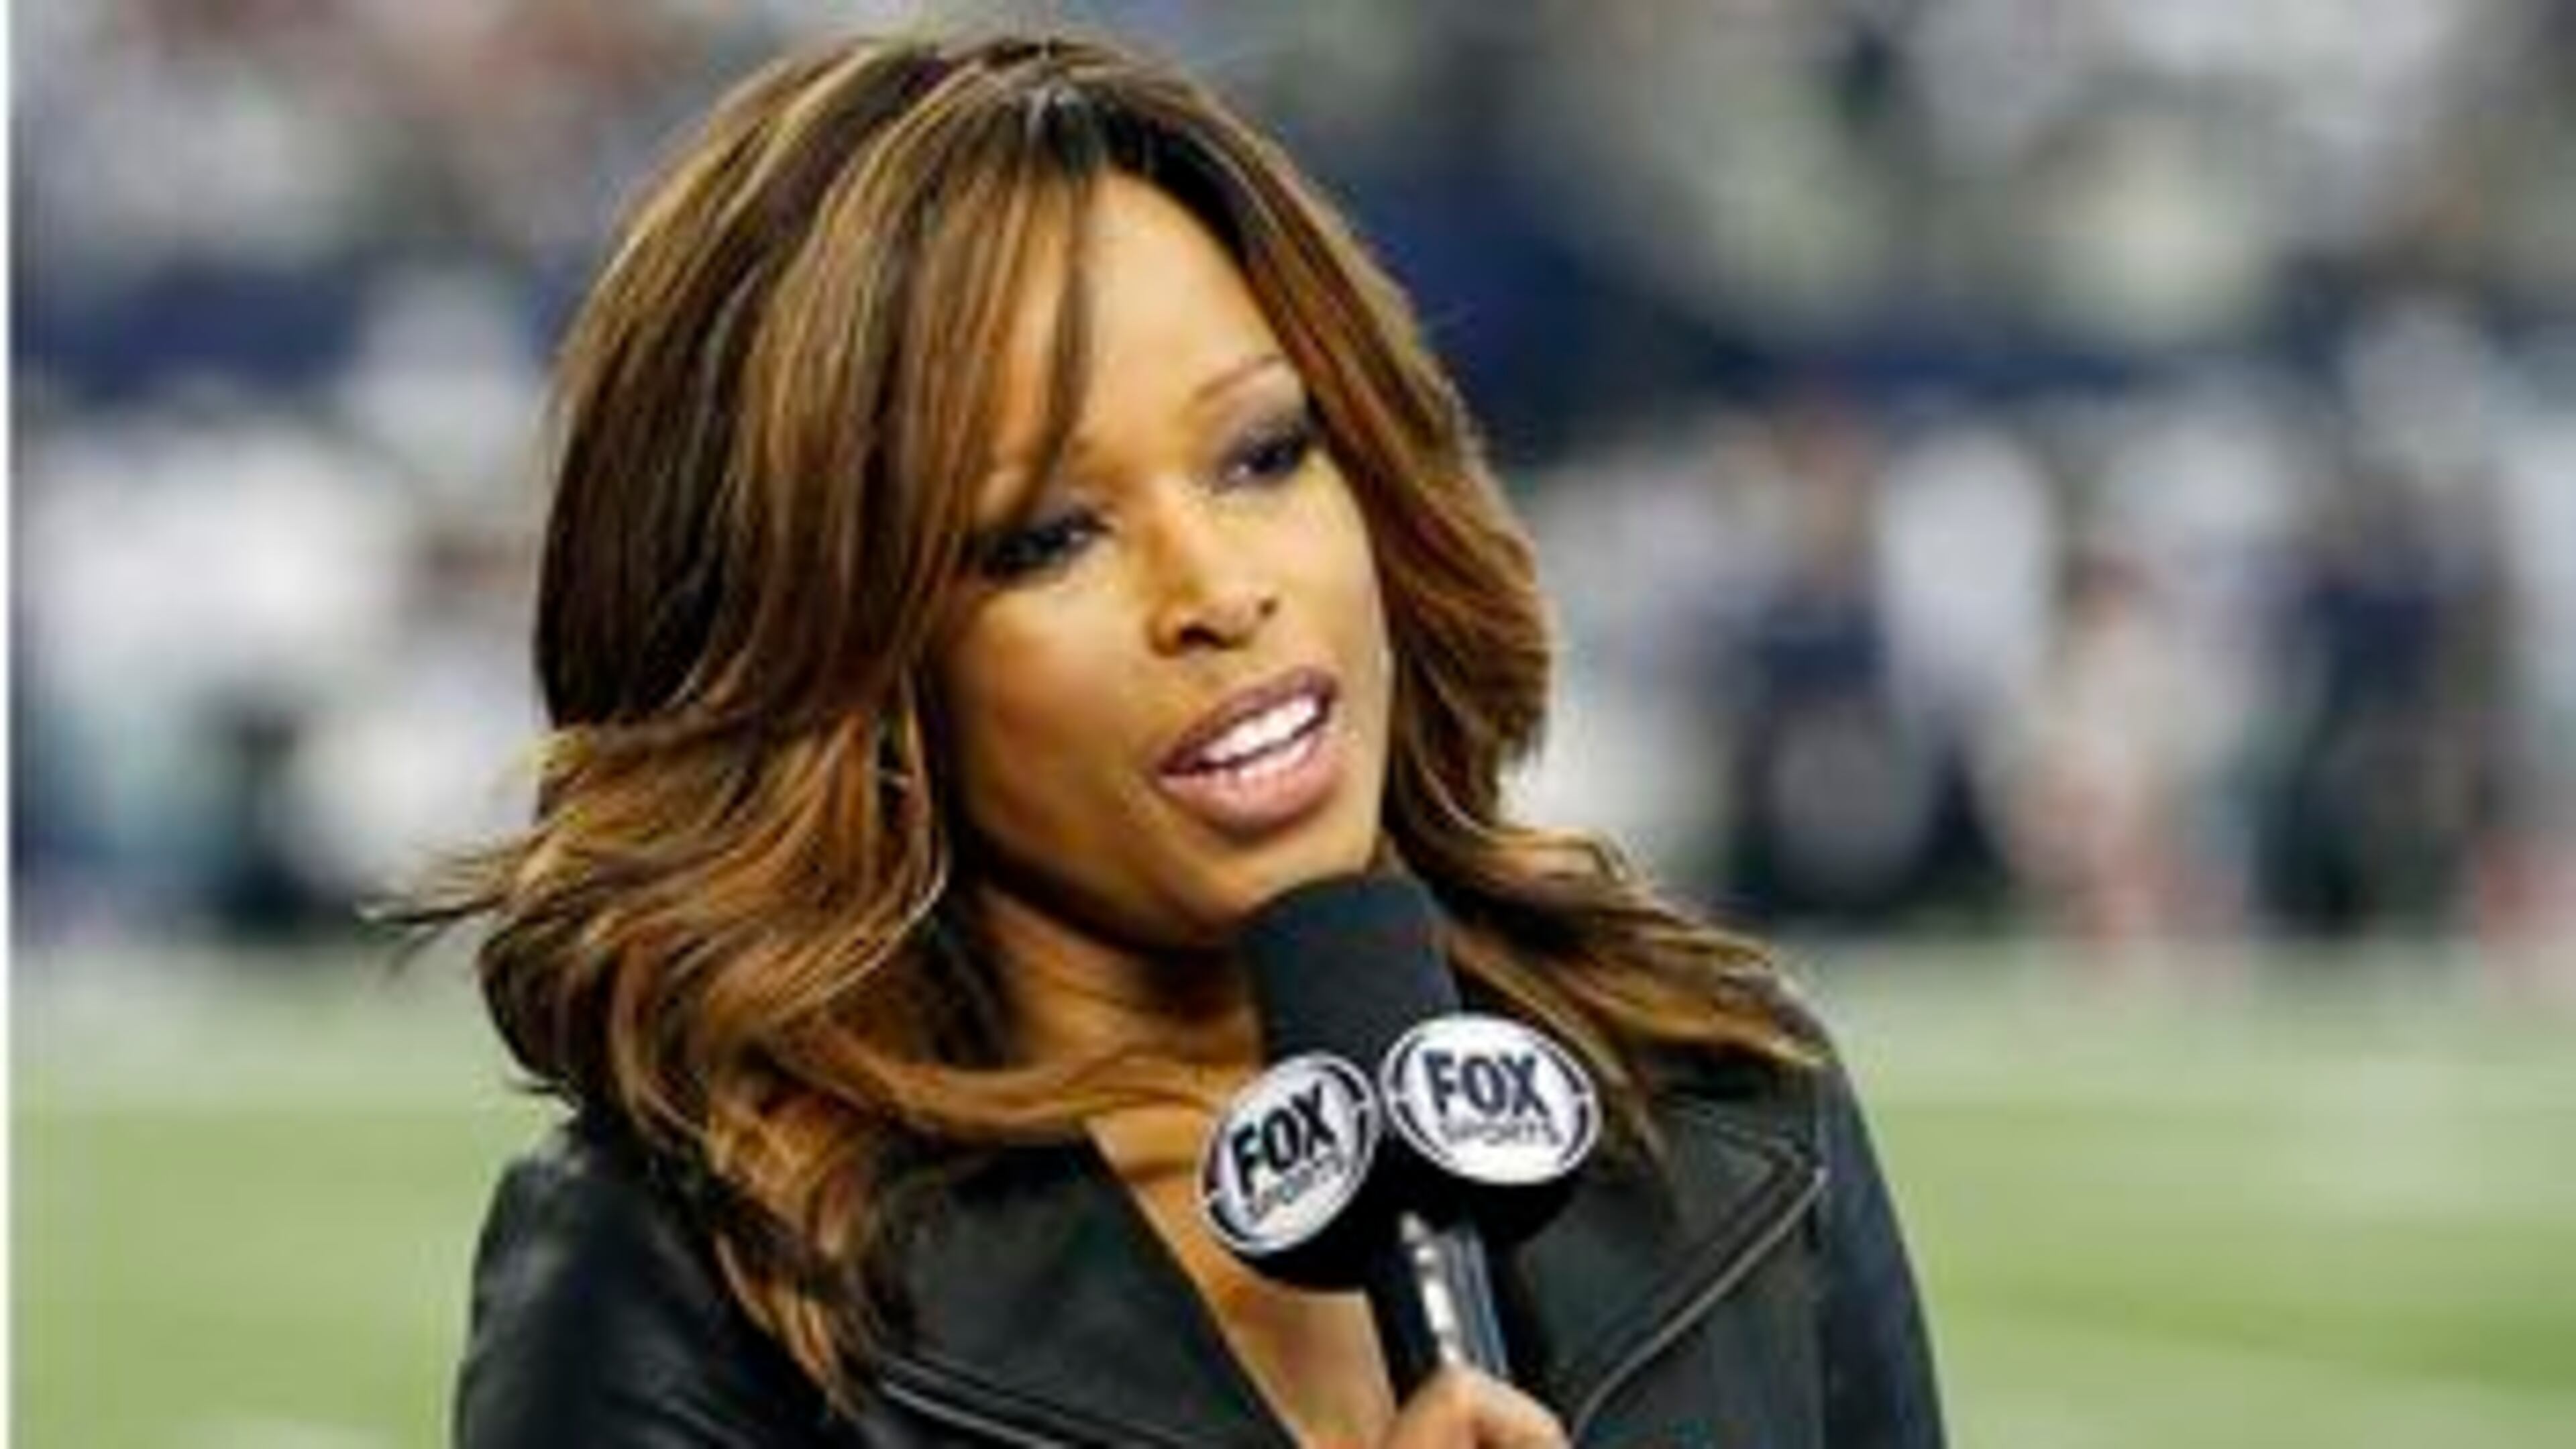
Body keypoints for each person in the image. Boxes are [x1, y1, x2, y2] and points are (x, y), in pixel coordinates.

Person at [421, 29, 1942, 1448]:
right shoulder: (699, 1273)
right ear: (837, 652)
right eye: (1047, 538)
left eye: (1265, 455)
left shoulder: (1731, 1104)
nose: (1218, 591)